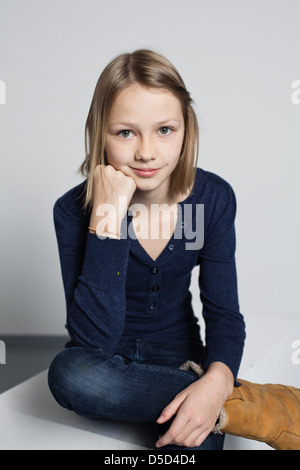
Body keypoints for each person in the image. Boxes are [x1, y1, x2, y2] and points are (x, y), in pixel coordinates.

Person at [48, 49, 246, 450]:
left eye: (165, 130)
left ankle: (206, 397)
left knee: (193, 441)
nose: (146, 152)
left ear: (186, 129)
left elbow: (224, 313)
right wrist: (108, 217)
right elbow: (92, 340)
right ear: (98, 132)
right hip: (104, 362)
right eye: (125, 132)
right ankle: (219, 403)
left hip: (180, 354)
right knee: (69, 374)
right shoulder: (72, 211)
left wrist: (219, 376)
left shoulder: (213, 199)